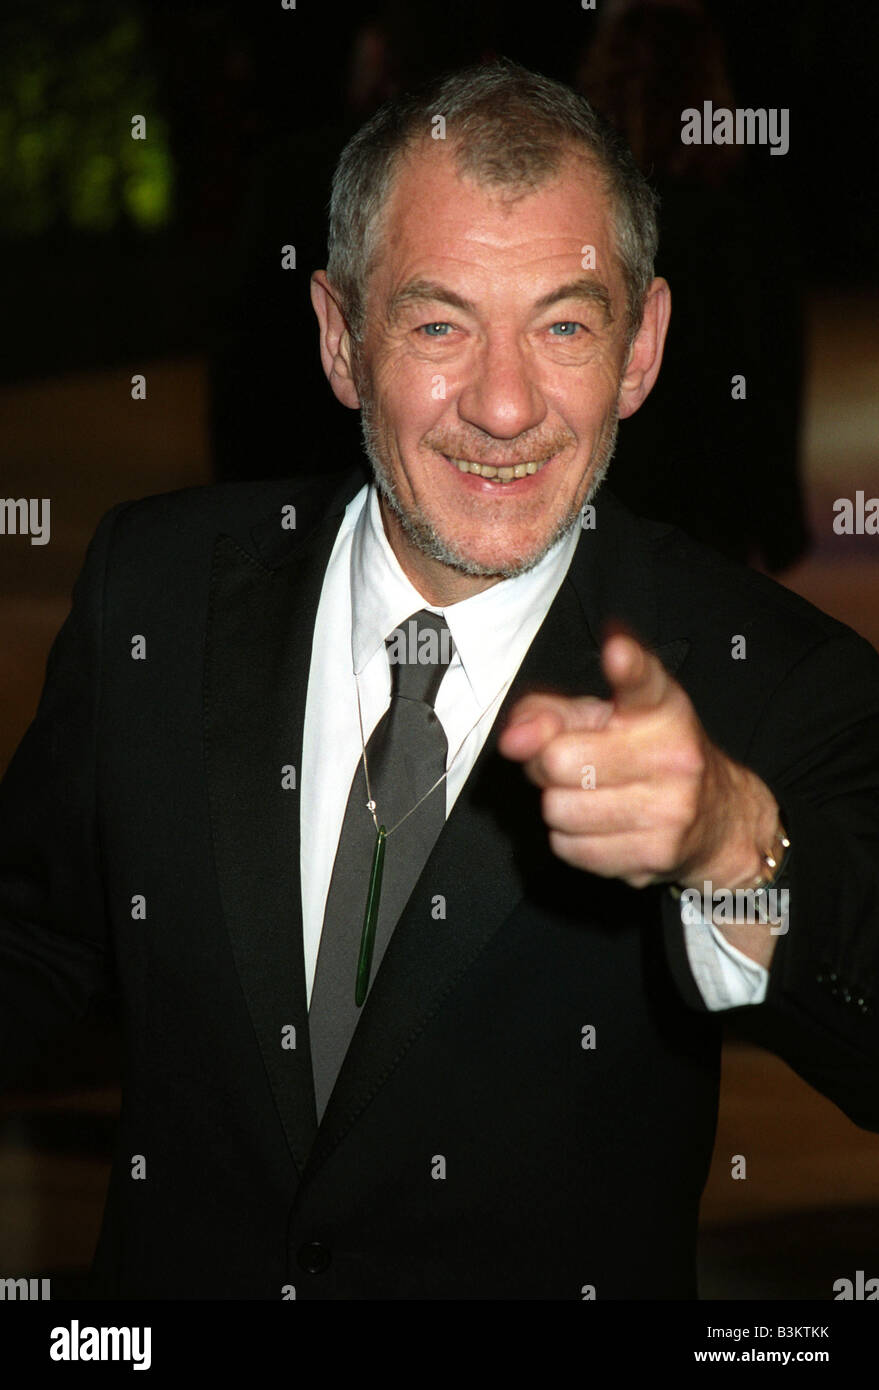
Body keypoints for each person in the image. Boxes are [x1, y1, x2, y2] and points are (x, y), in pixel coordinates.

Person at [0, 59, 877, 1300]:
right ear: (340, 338)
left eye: (565, 325)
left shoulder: (767, 673)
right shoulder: (154, 588)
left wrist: (740, 848)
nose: (507, 405)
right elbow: (37, 933)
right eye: (439, 324)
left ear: (643, 348)